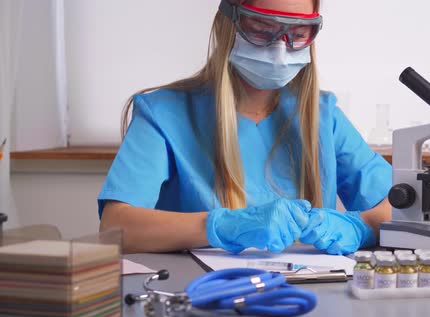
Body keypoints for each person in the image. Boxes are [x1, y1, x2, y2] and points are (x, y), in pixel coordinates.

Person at [98, 0, 392, 255]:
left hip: (308, 297)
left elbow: (401, 208)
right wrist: (221, 226)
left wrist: (361, 227)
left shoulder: (322, 117)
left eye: (298, 33)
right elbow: (117, 227)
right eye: (262, 29)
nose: (280, 49)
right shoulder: (164, 114)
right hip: (200, 297)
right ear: (228, 22)